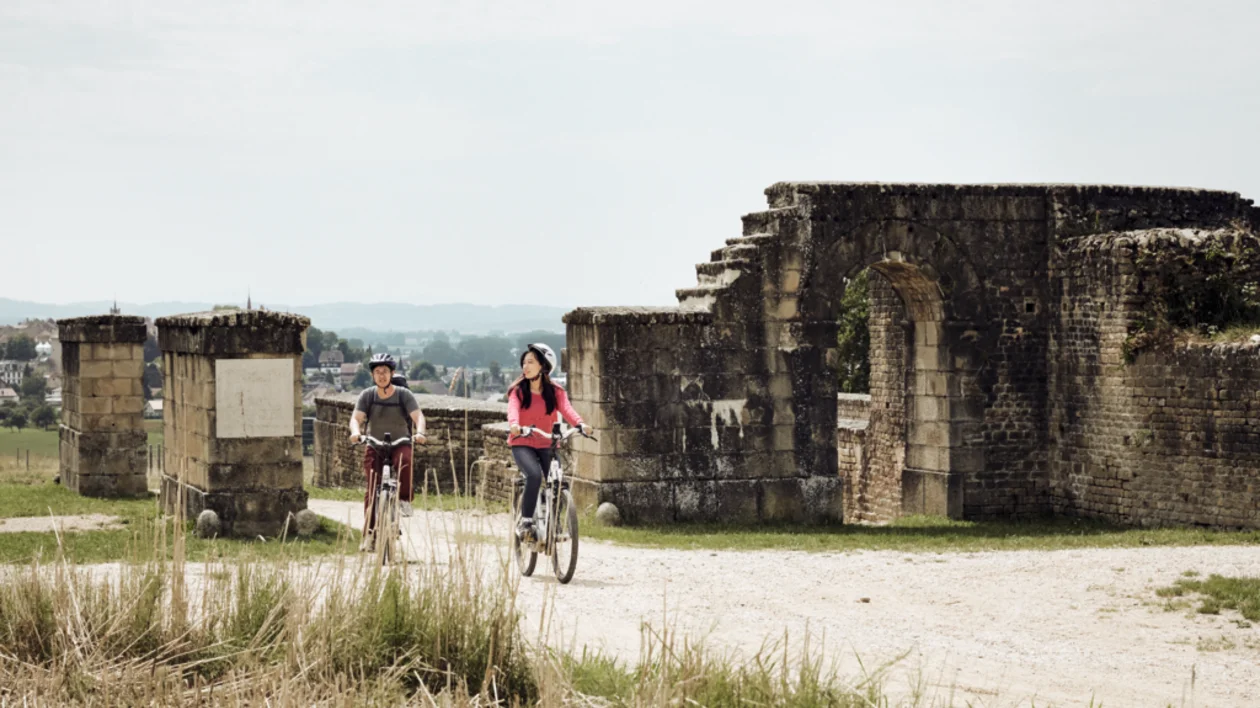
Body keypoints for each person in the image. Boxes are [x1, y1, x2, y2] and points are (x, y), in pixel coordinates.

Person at [508, 342, 591, 541]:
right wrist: (514, 424)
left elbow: (567, 409)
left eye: (530, 362)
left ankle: (554, 521)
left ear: (543, 367)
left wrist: (580, 424)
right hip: (522, 443)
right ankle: (526, 521)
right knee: (535, 476)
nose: (525, 367)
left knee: (559, 483)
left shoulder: (555, 391)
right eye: (524, 363)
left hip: (547, 444)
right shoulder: (518, 390)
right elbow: (512, 409)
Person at [349, 353, 426, 551]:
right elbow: (356, 418)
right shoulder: (367, 395)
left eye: (385, 371)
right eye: (377, 372)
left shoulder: (403, 395)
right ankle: (368, 534)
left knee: (405, 460)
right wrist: (356, 432)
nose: (381, 375)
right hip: (374, 443)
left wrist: (420, 433)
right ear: (372, 375)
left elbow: (418, 416)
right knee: (371, 489)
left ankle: (404, 499)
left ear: (392, 373)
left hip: (400, 441)